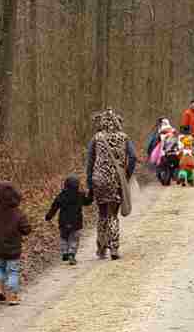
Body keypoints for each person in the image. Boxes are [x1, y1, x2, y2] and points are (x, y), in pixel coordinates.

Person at [86, 108, 136, 260]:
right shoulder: (124, 137)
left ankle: (101, 248)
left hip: (99, 179)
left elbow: (90, 162)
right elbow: (133, 157)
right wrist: (126, 175)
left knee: (102, 213)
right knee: (113, 214)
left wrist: (90, 182)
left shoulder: (96, 138)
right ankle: (114, 248)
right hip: (116, 179)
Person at [0, 180, 31, 303]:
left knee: (0, 268)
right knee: (13, 272)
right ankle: (12, 296)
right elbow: (26, 229)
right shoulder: (18, 213)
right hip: (13, 249)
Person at [45, 174, 93, 264]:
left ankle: (64, 252)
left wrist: (48, 216)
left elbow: (54, 207)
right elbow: (87, 202)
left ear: (65, 185)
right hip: (76, 222)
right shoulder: (80, 195)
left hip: (63, 222)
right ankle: (71, 253)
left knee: (64, 237)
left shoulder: (61, 196)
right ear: (77, 185)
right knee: (74, 239)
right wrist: (91, 193)